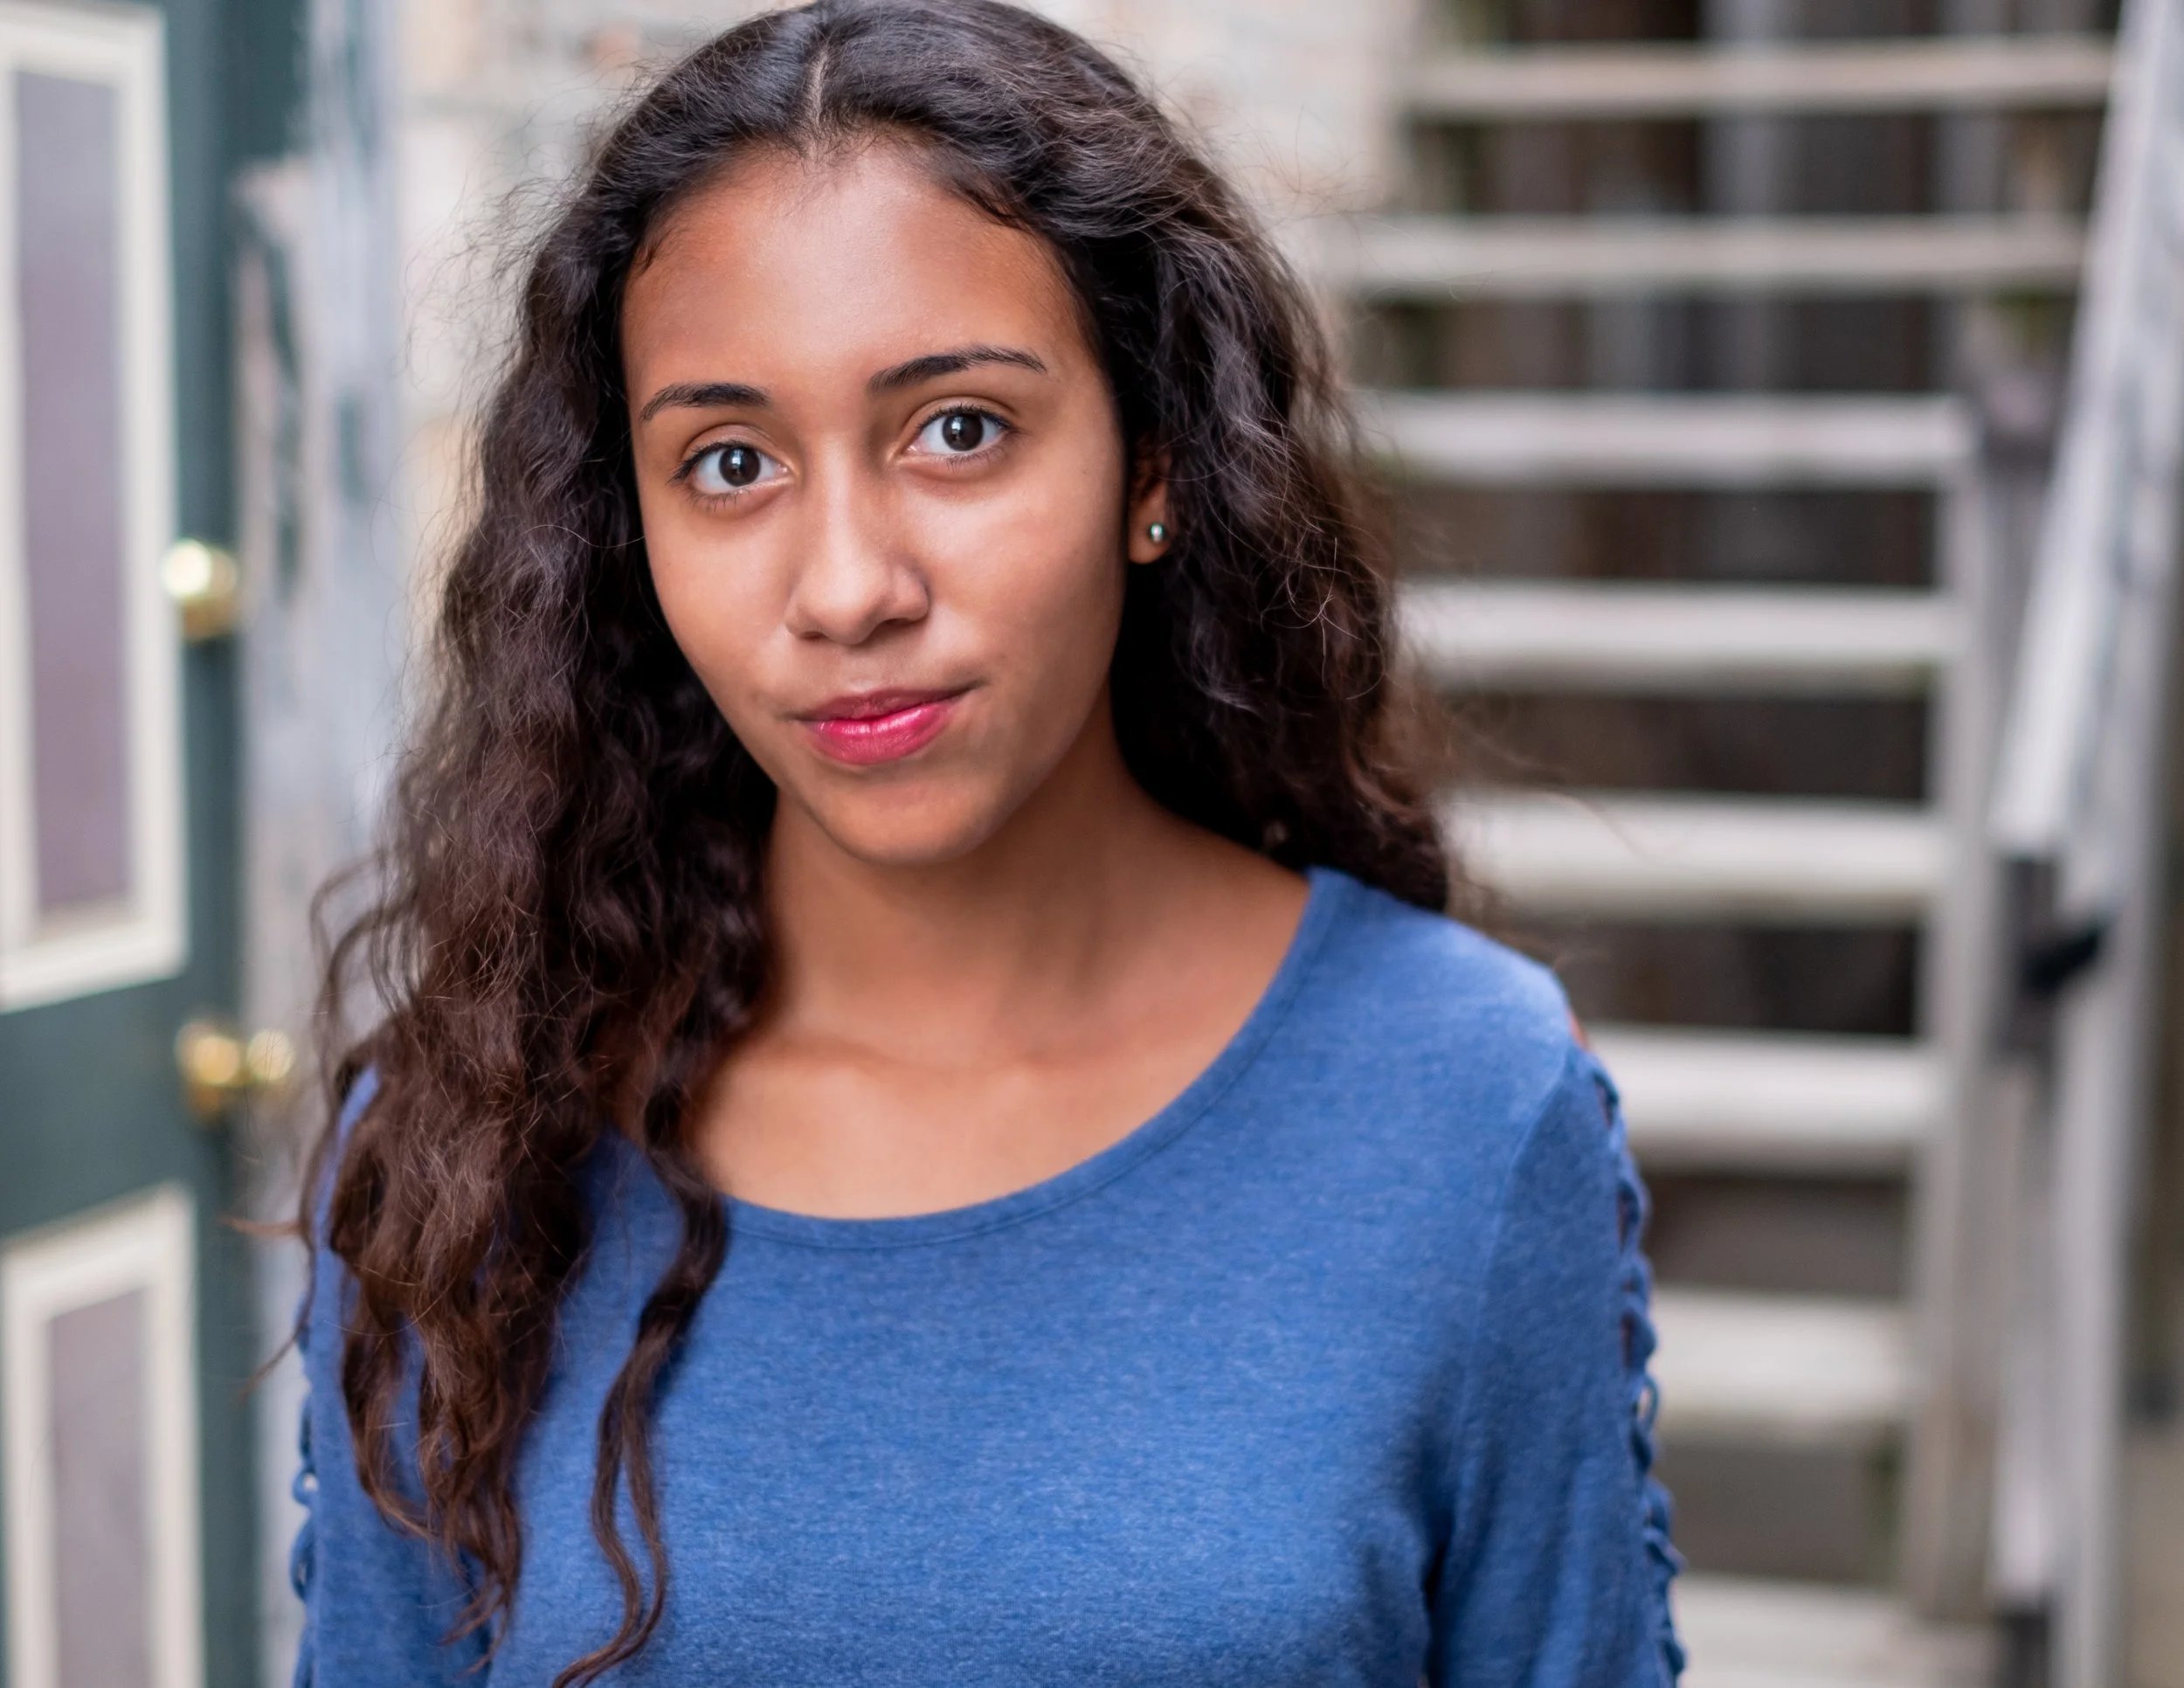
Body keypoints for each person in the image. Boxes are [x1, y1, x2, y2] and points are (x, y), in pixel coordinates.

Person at [289, 3, 1682, 1683]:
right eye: (729, 463)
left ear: (1149, 463)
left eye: (957, 429)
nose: (849, 585)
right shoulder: (472, 1139)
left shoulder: (1462, 1100)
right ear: (626, 537)